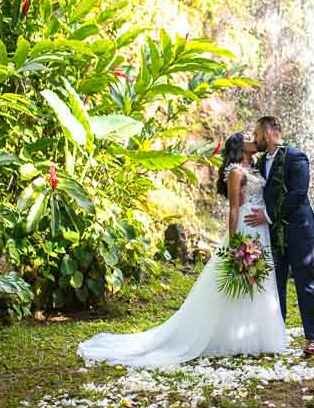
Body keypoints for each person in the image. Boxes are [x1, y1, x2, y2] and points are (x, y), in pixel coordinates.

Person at [76, 132, 286, 367]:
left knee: (257, 281)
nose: (252, 139)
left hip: (260, 231)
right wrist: (235, 244)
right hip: (245, 229)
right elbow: (234, 210)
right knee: (235, 283)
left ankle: (251, 335)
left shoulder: (256, 167)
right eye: (247, 137)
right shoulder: (236, 172)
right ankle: (225, 336)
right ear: (239, 146)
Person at [244, 116, 314, 356]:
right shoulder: (260, 162)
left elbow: (298, 194)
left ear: (267, 133)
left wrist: (267, 216)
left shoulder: (295, 156)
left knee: (305, 283)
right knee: (275, 286)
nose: (255, 140)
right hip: (274, 236)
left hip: (299, 230)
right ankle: (276, 334)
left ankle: (313, 339)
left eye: (256, 134)